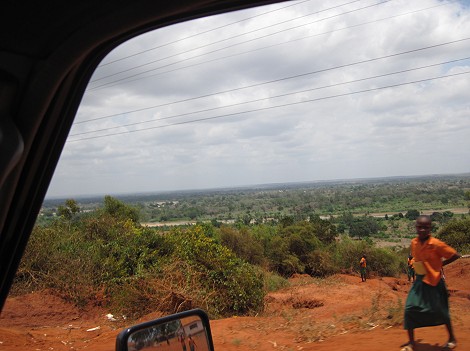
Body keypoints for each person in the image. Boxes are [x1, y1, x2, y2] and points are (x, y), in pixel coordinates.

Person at [400, 215, 460, 351]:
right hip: (420, 281)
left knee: (442, 311)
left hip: (435, 281)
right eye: (419, 227)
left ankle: (452, 339)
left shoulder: (436, 244)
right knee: (409, 308)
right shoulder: (414, 243)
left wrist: (441, 264)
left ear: (430, 229)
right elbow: (417, 259)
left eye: (425, 227)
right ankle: (411, 343)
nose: (422, 230)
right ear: (415, 227)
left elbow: (455, 255)